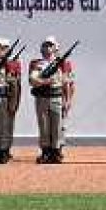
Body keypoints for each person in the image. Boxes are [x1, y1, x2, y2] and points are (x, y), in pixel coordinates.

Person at [29, 36, 75, 164]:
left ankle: (56, 151)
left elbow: (68, 84)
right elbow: (32, 80)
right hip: (42, 98)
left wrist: (68, 100)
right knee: (44, 126)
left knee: (58, 126)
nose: (47, 48)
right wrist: (46, 81)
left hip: (57, 97)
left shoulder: (64, 64)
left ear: (56, 48)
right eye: (45, 45)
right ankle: (45, 151)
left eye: (50, 45)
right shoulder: (36, 63)